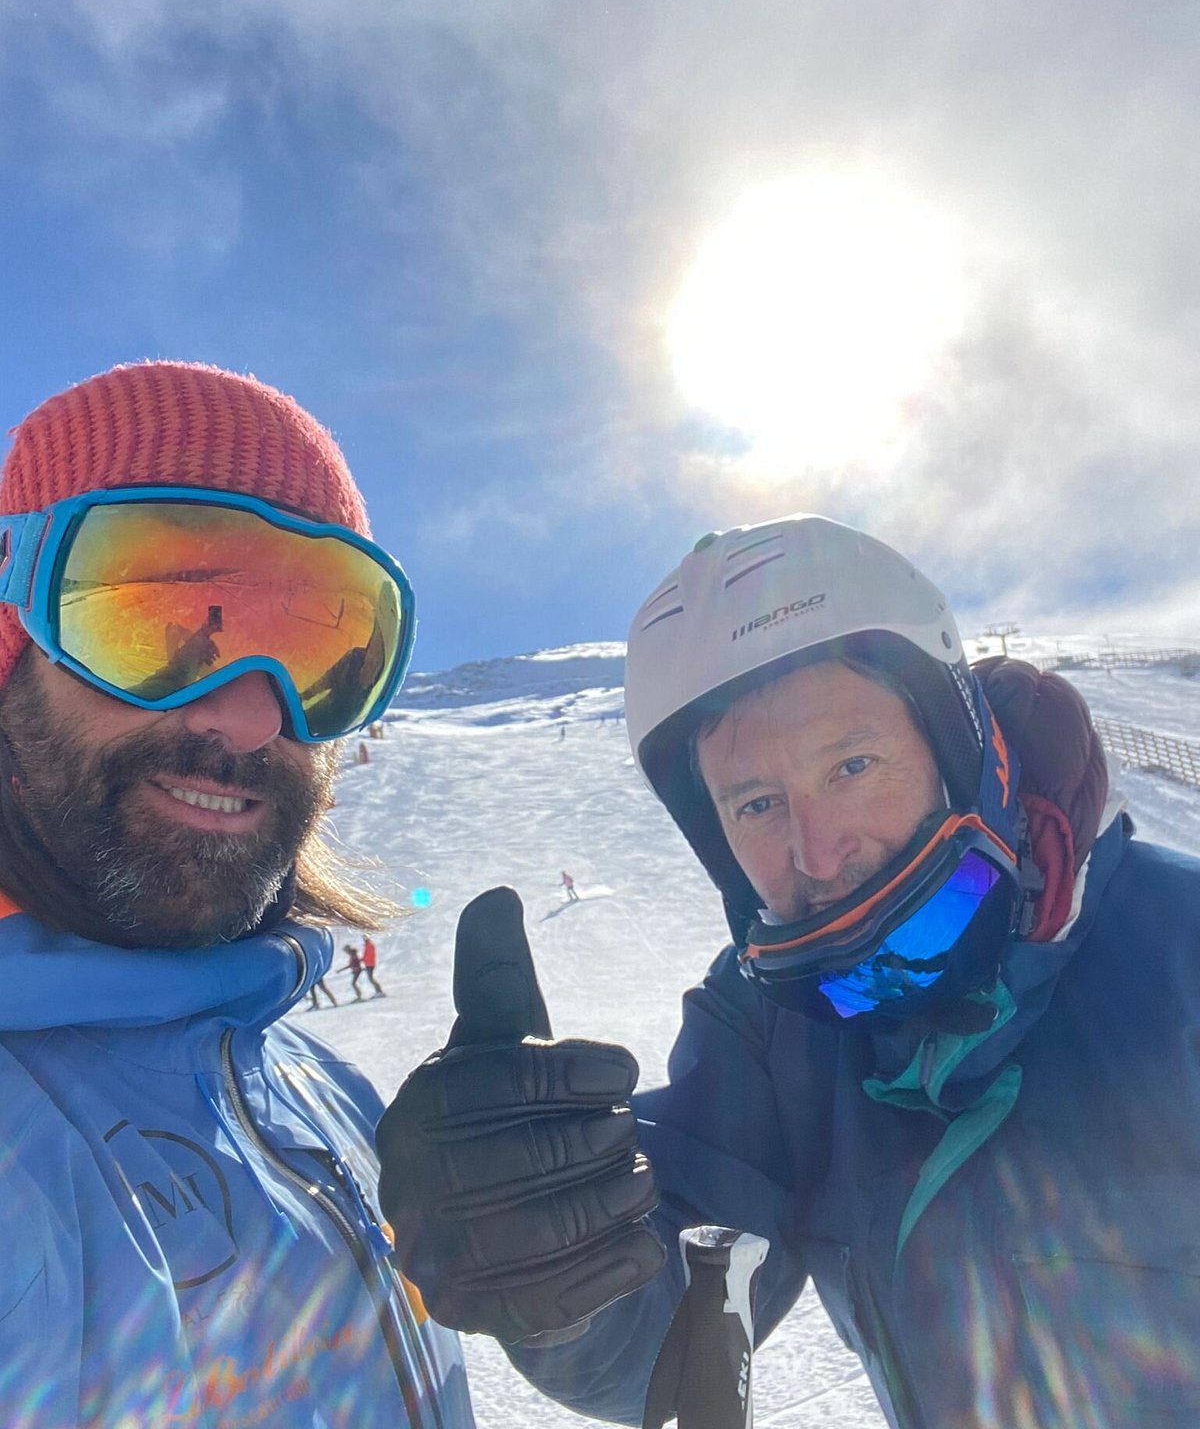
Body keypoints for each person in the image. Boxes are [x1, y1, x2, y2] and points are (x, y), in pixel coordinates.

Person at [379, 512, 1200, 1428]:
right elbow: (668, 1327)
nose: (815, 853)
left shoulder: (1177, 948)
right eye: (758, 803)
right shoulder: (774, 1028)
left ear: (958, 746)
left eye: (852, 764)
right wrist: (551, 1251)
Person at [0, 361, 473, 1428]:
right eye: (156, 617)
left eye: (318, 652)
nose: (254, 718)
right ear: (11, 640)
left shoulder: (322, 1092)